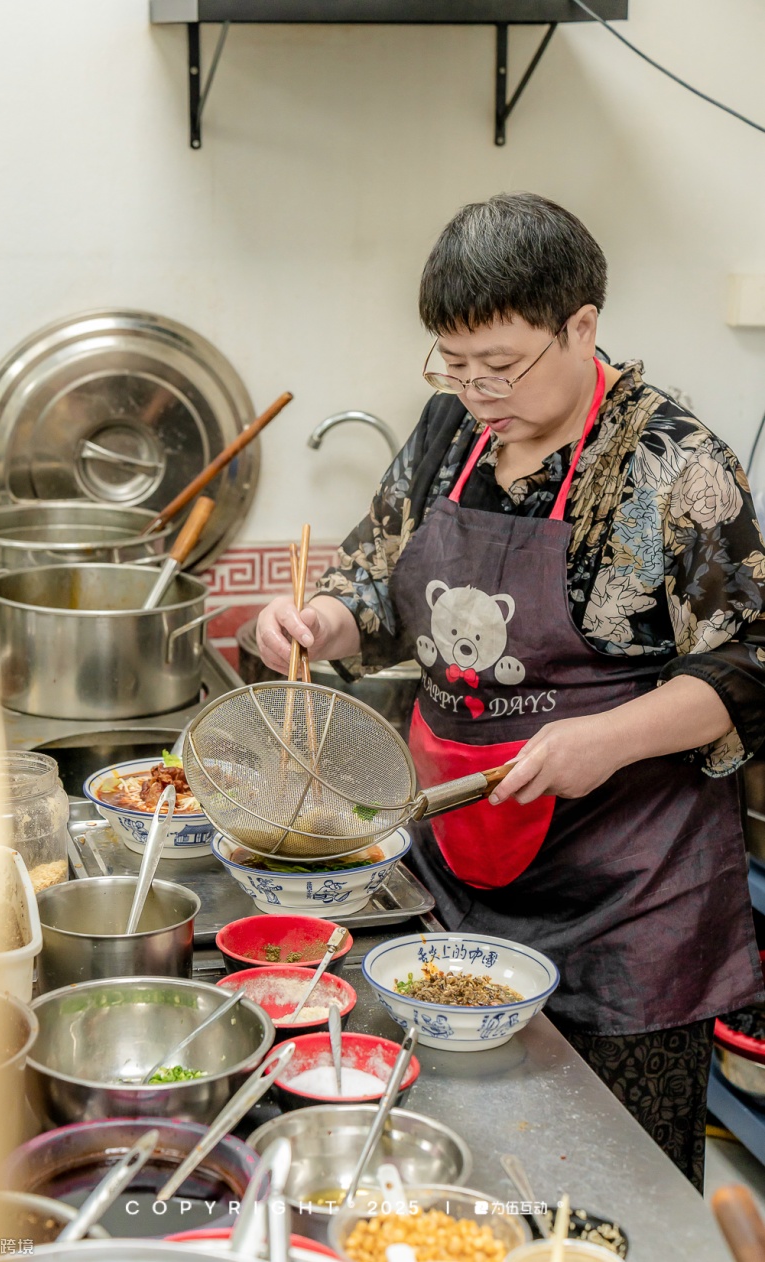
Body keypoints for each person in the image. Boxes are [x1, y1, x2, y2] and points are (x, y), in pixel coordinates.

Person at [256, 192, 765, 1190]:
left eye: (499, 364)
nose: (475, 390)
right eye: (453, 363)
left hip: (629, 910)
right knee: (470, 1171)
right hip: (456, 883)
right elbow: (374, 579)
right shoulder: (451, 430)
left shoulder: (675, 465)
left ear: (580, 325)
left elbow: (750, 662)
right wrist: (321, 618)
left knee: (612, 1197)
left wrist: (607, 739)